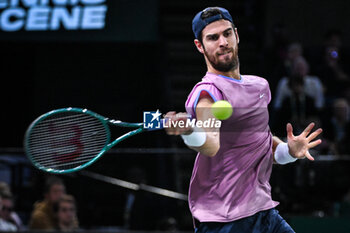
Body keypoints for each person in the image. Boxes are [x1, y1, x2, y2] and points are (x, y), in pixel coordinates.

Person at [164, 7, 322, 233]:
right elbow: (209, 144)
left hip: (264, 213)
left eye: (227, 33)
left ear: (236, 35)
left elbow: (261, 145)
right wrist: (188, 130)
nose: (222, 42)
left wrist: (289, 151)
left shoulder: (260, 86)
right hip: (224, 221)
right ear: (200, 46)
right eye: (213, 37)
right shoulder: (207, 92)